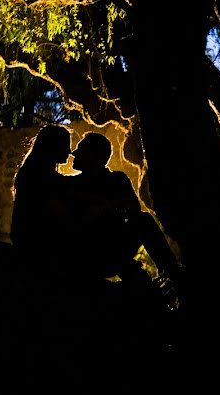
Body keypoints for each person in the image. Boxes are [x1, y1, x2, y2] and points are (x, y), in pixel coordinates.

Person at [66, 131, 182, 305]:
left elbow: (133, 211)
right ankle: (170, 276)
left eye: (80, 149)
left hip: (113, 247)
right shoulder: (72, 185)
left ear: (94, 156)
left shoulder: (116, 180)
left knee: (143, 220)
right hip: (88, 253)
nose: (73, 153)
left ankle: (172, 274)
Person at [9, 124, 73, 277]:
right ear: (53, 146)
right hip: (35, 243)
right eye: (66, 145)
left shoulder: (33, 172)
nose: (69, 151)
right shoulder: (39, 176)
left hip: (28, 239)